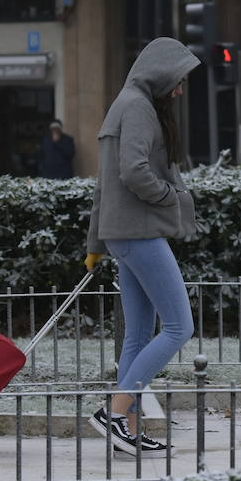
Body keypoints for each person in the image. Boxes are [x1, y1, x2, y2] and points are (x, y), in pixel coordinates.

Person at [82, 37, 201, 456]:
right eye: (179, 80)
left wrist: (96, 242)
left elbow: (104, 185)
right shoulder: (137, 106)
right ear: (161, 74)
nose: (180, 90)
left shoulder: (126, 102)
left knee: (136, 336)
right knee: (178, 327)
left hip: (123, 234)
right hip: (138, 233)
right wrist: (173, 196)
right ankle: (113, 414)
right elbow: (132, 173)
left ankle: (125, 430)